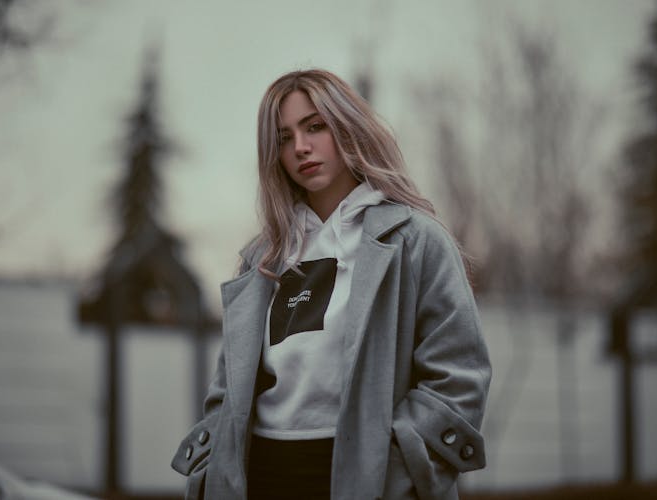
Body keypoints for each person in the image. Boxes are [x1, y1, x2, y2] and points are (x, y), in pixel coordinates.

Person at [171, 69, 491, 500]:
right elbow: (227, 392)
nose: (301, 147)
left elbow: (459, 377)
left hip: (366, 477)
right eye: (284, 138)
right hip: (262, 476)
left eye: (315, 126)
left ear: (347, 126)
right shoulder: (261, 258)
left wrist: (399, 467)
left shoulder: (415, 240)